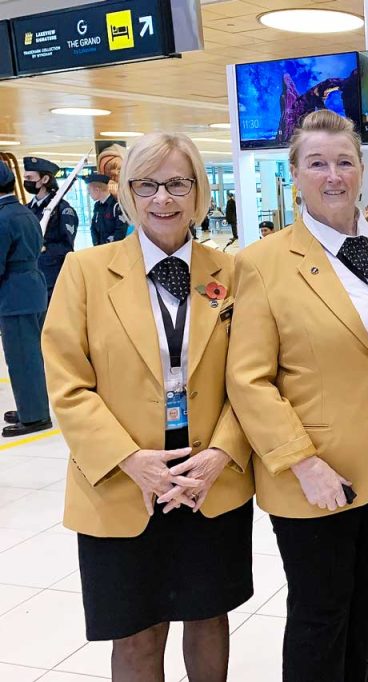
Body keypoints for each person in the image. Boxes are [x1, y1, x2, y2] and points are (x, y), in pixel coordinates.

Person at [41, 132, 255, 680]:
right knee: (136, 635)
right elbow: (67, 383)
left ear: (198, 190)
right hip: (121, 481)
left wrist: (220, 455)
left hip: (208, 480)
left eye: (177, 183)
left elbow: (252, 378)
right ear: (127, 191)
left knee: (208, 621)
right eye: (147, 184)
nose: (163, 198)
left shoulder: (233, 274)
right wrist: (131, 460)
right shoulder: (85, 273)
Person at [226, 109, 368, 681]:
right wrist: (301, 461)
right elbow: (249, 378)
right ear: (295, 175)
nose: (333, 175)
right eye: (317, 163)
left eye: (344, 162)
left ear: (362, 169)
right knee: (320, 612)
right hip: (313, 469)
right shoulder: (262, 263)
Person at [0, 163, 51, 437]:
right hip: (32, 288)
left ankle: (34, 417)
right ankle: (31, 407)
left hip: (14, 294)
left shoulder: (3, 217)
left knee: (21, 357)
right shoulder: (23, 211)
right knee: (30, 355)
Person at [23, 156, 78, 301]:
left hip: (53, 278)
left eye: (30, 177)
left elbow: (67, 248)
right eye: (25, 177)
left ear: (45, 179)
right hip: (30, 277)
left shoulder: (62, 210)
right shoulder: (26, 210)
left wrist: (45, 249)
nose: (26, 181)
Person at [86, 172, 128, 246]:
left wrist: (108, 246)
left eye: (89, 192)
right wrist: (97, 245)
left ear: (97, 190)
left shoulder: (117, 206)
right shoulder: (97, 206)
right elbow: (93, 227)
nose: (89, 195)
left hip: (114, 249)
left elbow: (121, 231)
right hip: (100, 249)